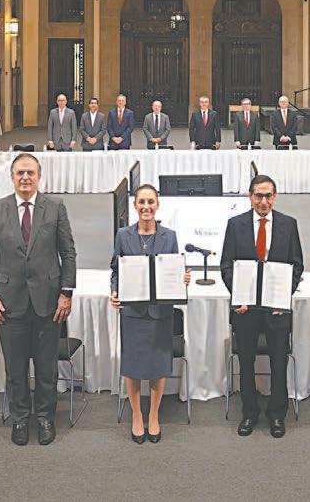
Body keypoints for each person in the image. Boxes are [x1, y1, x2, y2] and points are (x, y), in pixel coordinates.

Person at [0, 153, 77, 446]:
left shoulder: (55, 207)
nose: (25, 178)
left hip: (48, 302)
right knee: (15, 368)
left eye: (30, 173)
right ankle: (20, 418)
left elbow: (68, 252)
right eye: (20, 173)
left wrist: (66, 292)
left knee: (47, 368)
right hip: (8, 303)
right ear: (12, 177)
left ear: (39, 176)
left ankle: (45, 417)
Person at [220, 175, 304, 439]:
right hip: (245, 309)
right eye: (259, 195)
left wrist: (283, 297)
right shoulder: (236, 225)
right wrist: (238, 296)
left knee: (279, 361)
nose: (263, 201)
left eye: (268, 195)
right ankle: (249, 412)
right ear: (250, 196)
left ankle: (277, 414)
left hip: (276, 308)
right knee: (246, 362)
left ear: (275, 197)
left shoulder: (289, 224)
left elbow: (297, 265)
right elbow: (226, 265)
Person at [109, 185, 191, 443]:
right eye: (141, 202)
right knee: (132, 366)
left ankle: (154, 415)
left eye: (150, 202)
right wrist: (114, 291)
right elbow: (116, 270)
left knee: (158, 366)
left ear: (157, 204)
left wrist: (182, 278)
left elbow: (173, 269)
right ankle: (136, 415)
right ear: (135, 205)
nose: (146, 207)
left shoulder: (170, 236)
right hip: (133, 312)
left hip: (160, 312)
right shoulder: (123, 235)